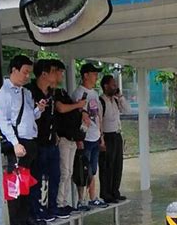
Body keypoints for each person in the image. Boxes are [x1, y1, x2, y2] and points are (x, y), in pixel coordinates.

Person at [0, 55, 46, 225]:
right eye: (25, 72)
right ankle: (17, 222)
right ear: (14, 70)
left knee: (27, 182)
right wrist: (15, 143)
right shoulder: (3, 90)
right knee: (15, 183)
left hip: (30, 140)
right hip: (17, 142)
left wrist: (38, 110)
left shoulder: (27, 92)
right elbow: (3, 120)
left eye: (29, 73)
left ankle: (27, 217)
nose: (27, 76)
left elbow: (28, 117)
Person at [24, 59, 70, 223]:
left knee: (55, 176)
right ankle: (36, 210)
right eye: (53, 71)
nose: (56, 75)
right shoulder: (29, 92)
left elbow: (54, 116)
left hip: (52, 142)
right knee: (36, 178)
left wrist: (56, 133)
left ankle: (52, 207)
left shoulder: (51, 92)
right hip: (37, 143)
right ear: (44, 74)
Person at [53, 60, 88, 214]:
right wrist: (78, 106)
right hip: (63, 138)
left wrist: (82, 110)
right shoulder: (54, 94)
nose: (62, 75)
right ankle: (59, 203)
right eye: (59, 72)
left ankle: (64, 202)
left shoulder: (62, 92)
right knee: (64, 172)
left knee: (70, 172)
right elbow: (60, 108)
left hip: (73, 138)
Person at [71, 63, 108, 208]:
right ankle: (81, 200)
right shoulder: (79, 93)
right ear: (85, 75)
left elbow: (97, 116)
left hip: (95, 136)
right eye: (93, 73)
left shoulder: (94, 94)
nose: (96, 76)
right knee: (82, 169)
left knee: (93, 169)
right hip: (84, 138)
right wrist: (79, 139)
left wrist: (101, 136)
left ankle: (93, 198)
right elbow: (76, 116)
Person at [98, 75, 131, 203]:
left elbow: (128, 110)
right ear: (106, 86)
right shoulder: (101, 101)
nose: (115, 86)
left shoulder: (116, 101)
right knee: (107, 165)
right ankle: (106, 193)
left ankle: (115, 191)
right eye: (113, 85)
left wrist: (120, 97)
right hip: (107, 136)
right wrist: (101, 140)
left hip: (117, 135)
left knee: (118, 165)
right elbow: (99, 120)